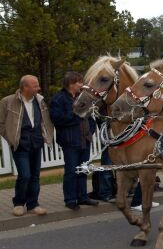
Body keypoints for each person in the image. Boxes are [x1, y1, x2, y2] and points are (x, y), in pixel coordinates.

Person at [0, 75, 54, 216]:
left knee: (35, 176)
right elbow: (1, 123)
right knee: (25, 175)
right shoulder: (8, 101)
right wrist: (11, 138)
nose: (39, 88)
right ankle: (18, 203)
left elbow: (45, 120)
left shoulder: (40, 101)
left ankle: (33, 204)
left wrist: (45, 136)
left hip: (36, 143)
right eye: (35, 86)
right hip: (20, 144)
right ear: (25, 87)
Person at [50, 71, 98, 210]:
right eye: (79, 82)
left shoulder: (82, 97)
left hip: (85, 139)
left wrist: (91, 130)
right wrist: (76, 114)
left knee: (83, 170)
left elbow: (90, 116)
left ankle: (82, 197)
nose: (82, 85)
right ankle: (70, 199)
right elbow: (57, 119)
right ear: (71, 84)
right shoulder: (58, 99)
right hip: (70, 141)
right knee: (71, 171)